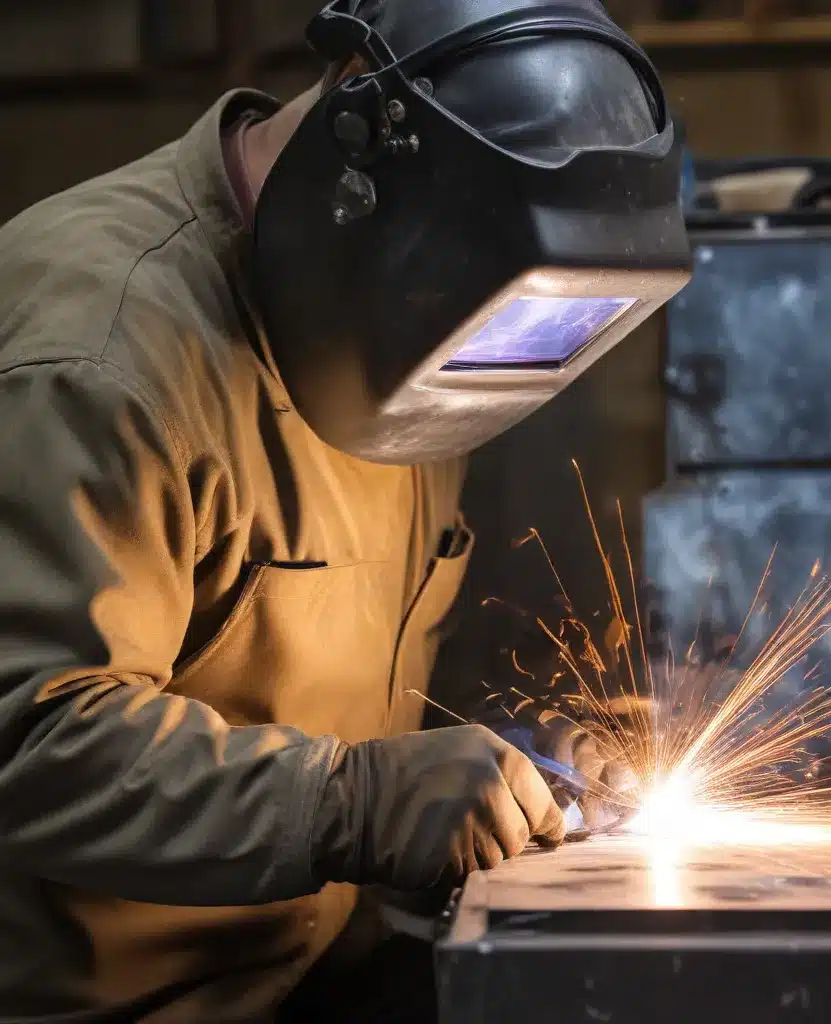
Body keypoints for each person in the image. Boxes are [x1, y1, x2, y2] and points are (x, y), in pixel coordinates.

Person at [0, 0, 688, 1019]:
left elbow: (336, 683)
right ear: (355, 177)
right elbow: (27, 739)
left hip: (314, 969)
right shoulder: (96, 361)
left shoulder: (397, 319)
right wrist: (355, 803)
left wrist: (509, 765)